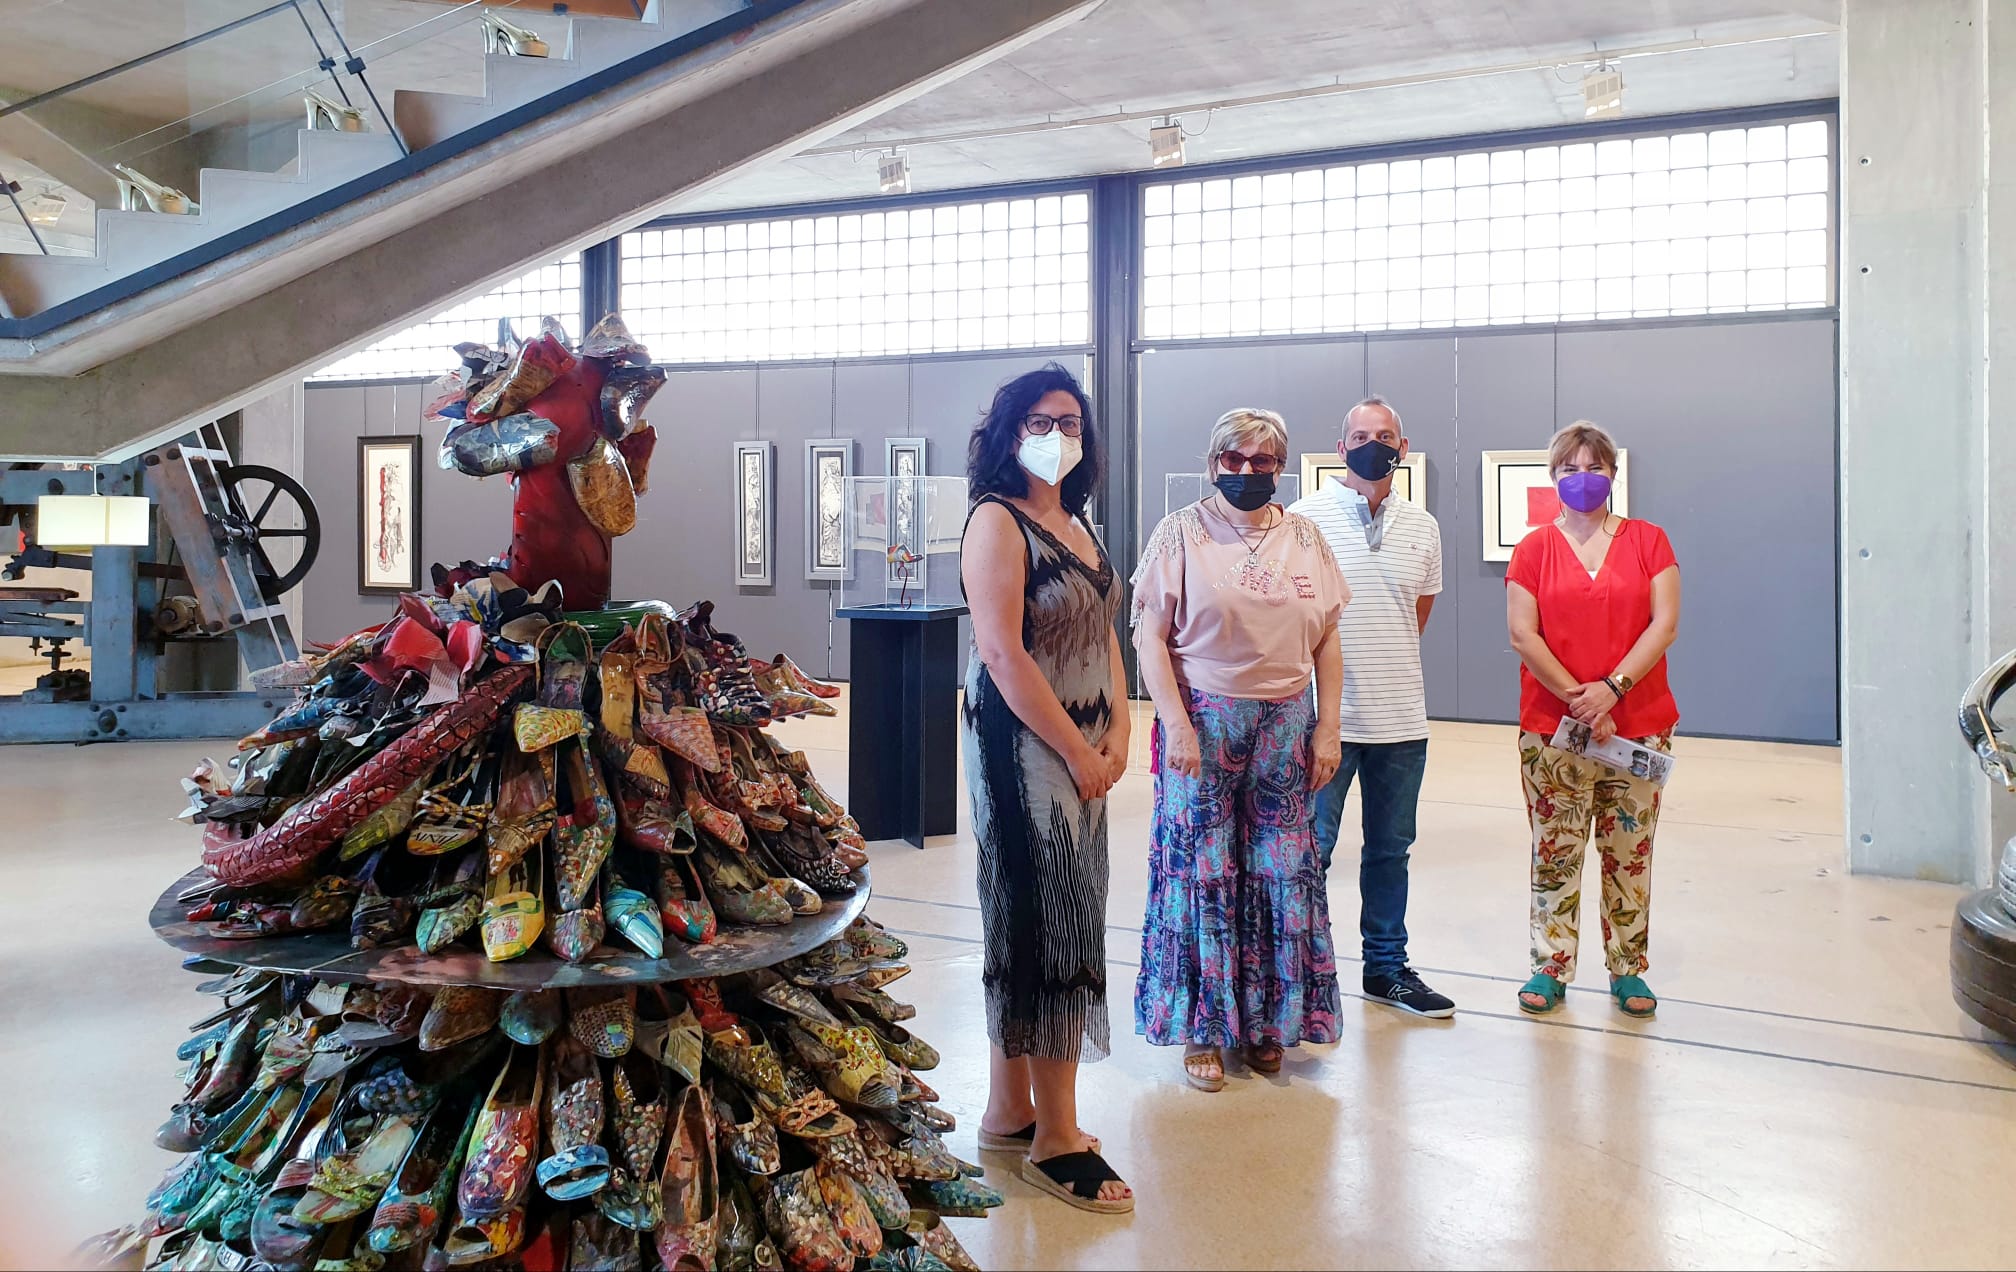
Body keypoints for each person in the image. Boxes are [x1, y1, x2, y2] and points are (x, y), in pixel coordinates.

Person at [1132, 407, 1349, 1091]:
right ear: (1213, 462)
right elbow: (1148, 638)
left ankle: (1267, 1020)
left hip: (1287, 718)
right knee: (1203, 867)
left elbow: (1327, 641)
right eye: (1235, 460)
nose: (1249, 472)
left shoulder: (1306, 536)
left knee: (1279, 870)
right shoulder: (1179, 533)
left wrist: (1329, 725)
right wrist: (1178, 724)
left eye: (1262, 462)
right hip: (1204, 715)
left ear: (1279, 467)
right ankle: (1202, 1026)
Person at [959, 362, 1134, 1214]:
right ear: (1008, 431)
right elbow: (1002, 654)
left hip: (1086, 743)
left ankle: (1010, 1111)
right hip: (1026, 743)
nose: (1058, 434)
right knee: (1047, 917)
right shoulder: (996, 522)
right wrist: (1076, 750)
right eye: (1040, 419)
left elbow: (1107, 629)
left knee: (1040, 914)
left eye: (1070, 421)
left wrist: (1122, 729)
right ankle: (1056, 1140)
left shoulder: (1075, 522)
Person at [1505, 420, 1681, 1020]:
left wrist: (1612, 690)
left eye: (1595, 467)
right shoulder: (1533, 549)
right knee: (1555, 849)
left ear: (1614, 474)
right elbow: (1522, 634)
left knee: (1629, 848)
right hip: (1551, 726)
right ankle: (1549, 966)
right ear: (1554, 478)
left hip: (1639, 723)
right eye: (1570, 469)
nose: (1584, 478)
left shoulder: (1648, 540)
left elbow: (1664, 624)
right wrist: (1579, 699)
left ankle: (1628, 969)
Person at [1289, 395, 1454, 1019]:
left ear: (1402, 447)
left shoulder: (1424, 527)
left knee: (1390, 853)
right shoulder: (1304, 520)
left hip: (1402, 722)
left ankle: (1386, 969)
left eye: (1384, 434)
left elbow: (1415, 618)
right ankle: (1302, 975)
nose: (1372, 443)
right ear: (1340, 448)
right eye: (1359, 434)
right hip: (1322, 721)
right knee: (1310, 850)